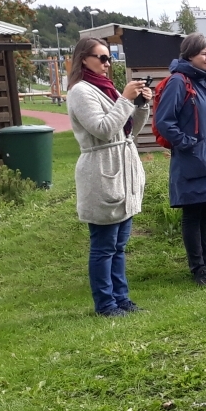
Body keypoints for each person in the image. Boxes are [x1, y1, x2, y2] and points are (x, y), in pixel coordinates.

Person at [67, 36, 149, 317]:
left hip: (123, 168)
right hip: (101, 170)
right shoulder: (81, 91)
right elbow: (103, 129)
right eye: (101, 57)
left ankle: (121, 298)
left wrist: (139, 105)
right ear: (83, 60)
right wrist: (125, 99)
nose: (107, 62)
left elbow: (128, 131)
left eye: (109, 57)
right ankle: (105, 304)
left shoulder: (108, 88)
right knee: (103, 246)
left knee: (119, 245)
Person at [154, 33, 206, 287]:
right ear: (190, 54)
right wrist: (188, 143)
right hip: (193, 159)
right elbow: (164, 121)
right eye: (204, 53)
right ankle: (198, 270)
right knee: (192, 213)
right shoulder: (179, 82)